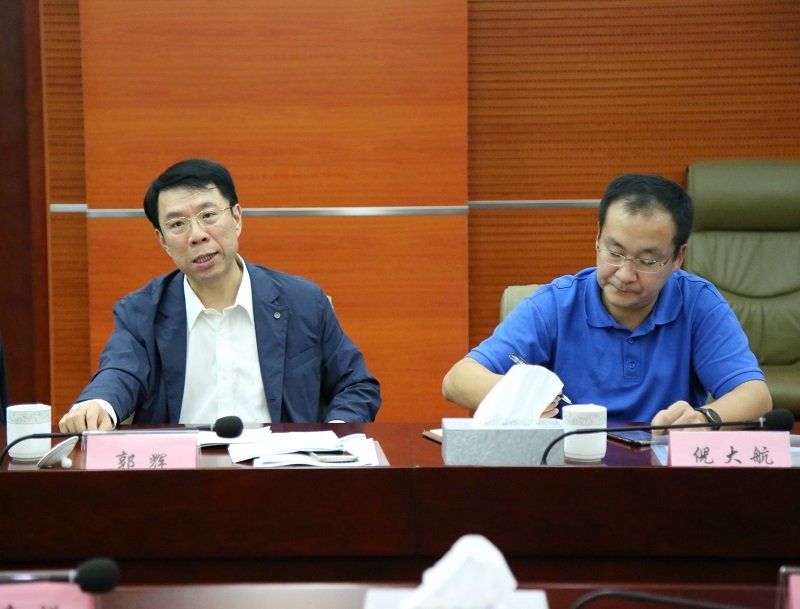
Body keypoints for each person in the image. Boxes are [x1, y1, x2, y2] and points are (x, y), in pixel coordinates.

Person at [60, 158, 381, 432]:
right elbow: (121, 369)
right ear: (162, 240)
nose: (197, 235)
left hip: (280, 471)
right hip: (180, 474)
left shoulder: (303, 302)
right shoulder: (140, 312)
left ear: (237, 218)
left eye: (208, 215)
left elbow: (355, 384)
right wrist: (98, 404)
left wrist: (332, 438)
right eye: (178, 224)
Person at [442, 173, 771, 427]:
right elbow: (457, 381)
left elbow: (755, 394)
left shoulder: (697, 303)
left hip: (662, 470)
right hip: (570, 467)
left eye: (647, 260)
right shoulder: (555, 305)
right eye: (615, 252)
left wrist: (703, 418)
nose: (625, 274)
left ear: (678, 257)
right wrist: (523, 398)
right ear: (598, 236)